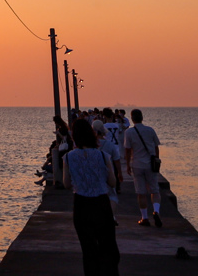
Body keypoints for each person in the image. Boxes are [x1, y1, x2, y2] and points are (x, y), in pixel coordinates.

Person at [62, 118, 120, 276]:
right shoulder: (103, 155)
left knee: (88, 249)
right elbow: (113, 182)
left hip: (81, 204)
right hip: (101, 203)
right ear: (92, 134)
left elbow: (66, 184)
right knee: (107, 246)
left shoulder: (68, 157)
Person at [124, 108, 162, 227]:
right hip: (150, 164)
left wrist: (128, 165)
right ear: (142, 118)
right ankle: (156, 211)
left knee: (141, 192)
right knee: (155, 190)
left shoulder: (129, 132)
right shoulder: (150, 130)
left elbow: (128, 150)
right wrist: (156, 159)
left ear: (132, 119)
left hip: (137, 164)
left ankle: (144, 218)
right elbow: (156, 147)